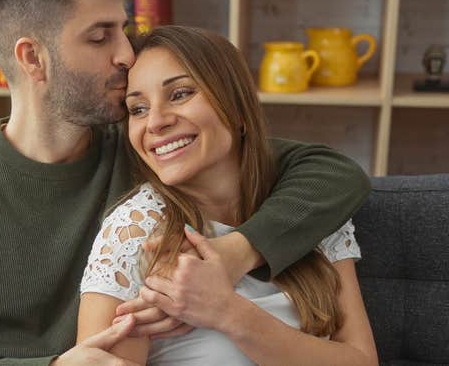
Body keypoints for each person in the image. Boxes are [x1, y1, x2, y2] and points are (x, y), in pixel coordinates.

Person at [0, 0, 371, 365]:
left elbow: (332, 173)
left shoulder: (150, 153)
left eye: (123, 30)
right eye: (101, 36)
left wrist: (234, 255)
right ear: (33, 58)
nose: (126, 53)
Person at [77, 25, 378, 365]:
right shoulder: (136, 230)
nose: (155, 123)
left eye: (179, 94)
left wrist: (229, 314)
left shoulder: (308, 206)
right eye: (138, 109)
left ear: (237, 109)